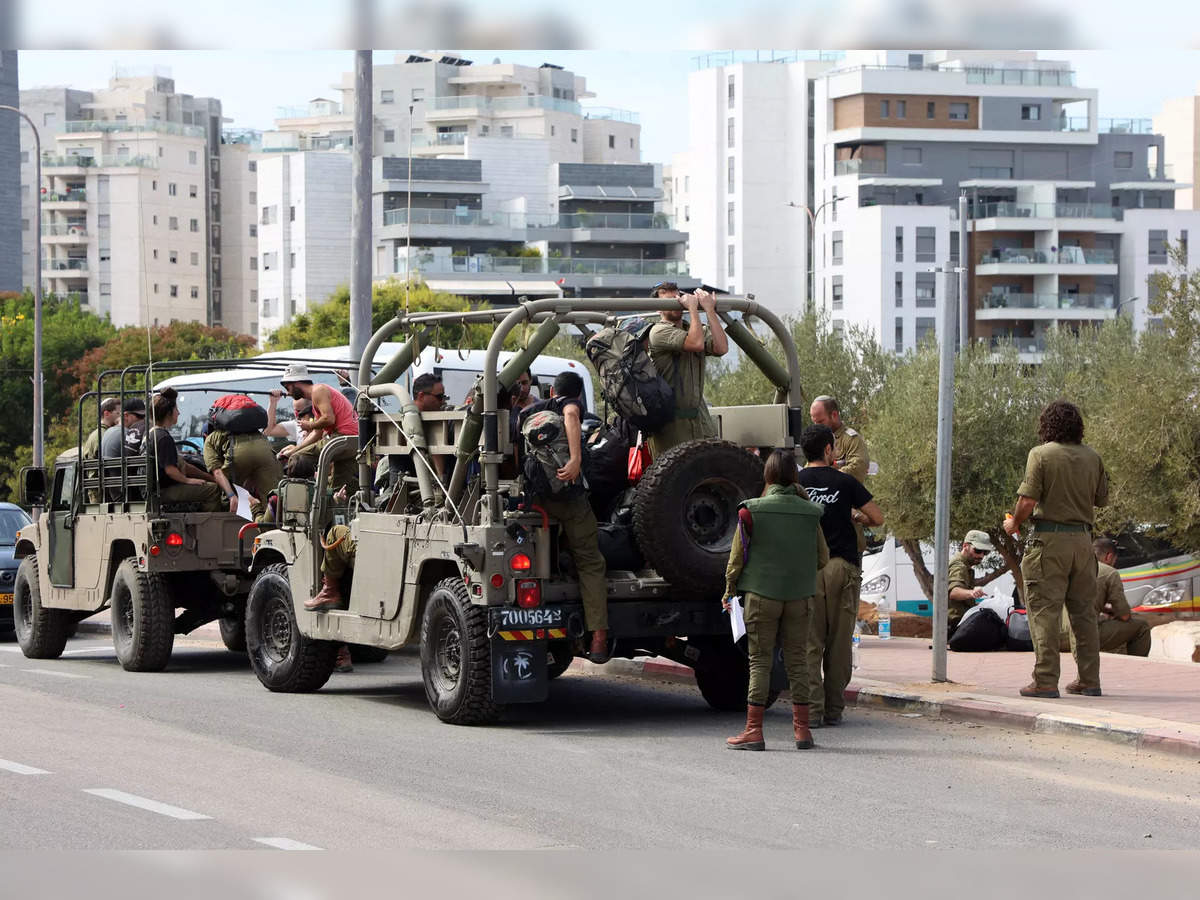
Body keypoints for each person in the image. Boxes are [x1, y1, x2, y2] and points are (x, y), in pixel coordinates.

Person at [722, 448, 829, 751]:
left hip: (761, 596)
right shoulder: (811, 513)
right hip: (800, 597)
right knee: (798, 662)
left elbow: (737, 557)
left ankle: (754, 731)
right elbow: (823, 557)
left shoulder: (750, 511)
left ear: (767, 476)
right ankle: (803, 731)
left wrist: (730, 589)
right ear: (795, 476)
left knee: (760, 662)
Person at [1004, 400, 1109, 698]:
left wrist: (1014, 525)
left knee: (1045, 614)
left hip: (1049, 542)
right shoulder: (1093, 457)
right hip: (1083, 542)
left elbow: (1026, 501)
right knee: (1084, 614)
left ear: (1047, 425)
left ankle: (1046, 680)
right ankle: (1089, 679)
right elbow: (1102, 500)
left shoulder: (1040, 454)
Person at [797, 425, 884, 727]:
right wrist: (854, 515)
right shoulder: (845, 482)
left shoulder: (795, 482)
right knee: (838, 642)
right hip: (842, 568)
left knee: (809, 643)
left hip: (805, 570)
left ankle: (813, 712)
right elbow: (878, 517)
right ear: (828, 450)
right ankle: (834, 709)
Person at [524, 370, 610, 663]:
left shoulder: (530, 412)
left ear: (550, 392)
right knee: (590, 562)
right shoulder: (570, 405)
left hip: (538, 502)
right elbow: (572, 415)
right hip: (571, 499)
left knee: (537, 563)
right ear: (577, 394)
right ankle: (598, 638)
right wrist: (575, 459)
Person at [646, 282, 728, 457]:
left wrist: (709, 310)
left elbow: (721, 347)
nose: (677, 304)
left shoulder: (692, 328)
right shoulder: (658, 332)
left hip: (699, 419)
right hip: (673, 425)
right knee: (677, 476)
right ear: (659, 308)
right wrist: (692, 309)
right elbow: (696, 343)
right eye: (669, 301)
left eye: (678, 298)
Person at [277, 364, 360, 494]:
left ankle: (301, 496)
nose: (288, 392)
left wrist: (309, 426)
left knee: (299, 460)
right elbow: (317, 433)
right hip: (353, 442)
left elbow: (329, 419)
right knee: (339, 490)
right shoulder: (318, 397)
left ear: (296, 383)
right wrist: (295, 449)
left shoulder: (318, 391)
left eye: (287, 387)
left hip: (341, 438)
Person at [147, 388, 225, 511]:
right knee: (213, 490)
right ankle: (209, 527)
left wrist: (208, 477)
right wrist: (188, 480)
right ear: (169, 413)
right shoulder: (163, 437)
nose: (178, 413)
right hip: (163, 491)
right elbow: (170, 470)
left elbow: (182, 465)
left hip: (156, 490)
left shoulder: (151, 434)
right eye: (176, 409)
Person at [1071, 537, 1151, 657]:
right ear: (1109, 556)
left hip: (1058, 636)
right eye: (1114, 560)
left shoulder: (1072, 567)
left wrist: (1104, 609)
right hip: (1083, 637)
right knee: (1141, 627)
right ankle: (1136, 668)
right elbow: (1124, 615)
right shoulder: (1109, 572)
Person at [203, 417, 283, 509]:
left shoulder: (210, 439)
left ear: (205, 435)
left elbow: (217, 472)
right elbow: (253, 463)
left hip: (237, 455)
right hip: (265, 451)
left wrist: (231, 496)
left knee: (226, 499)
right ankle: (269, 518)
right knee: (272, 500)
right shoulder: (252, 431)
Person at [947, 531, 994, 636]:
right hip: (957, 625)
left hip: (961, 623)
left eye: (985, 552)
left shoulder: (965, 565)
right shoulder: (959, 566)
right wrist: (972, 593)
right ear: (965, 546)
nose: (981, 555)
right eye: (978, 550)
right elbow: (954, 592)